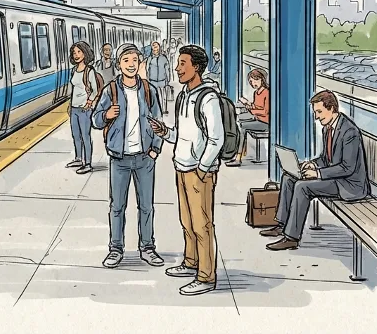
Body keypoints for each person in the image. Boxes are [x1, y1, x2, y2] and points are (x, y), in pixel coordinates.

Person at [150, 45, 223, 296]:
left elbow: (216, 139)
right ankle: (191, 262)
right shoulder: (183, 95)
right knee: (187, 221)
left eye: (183, 64)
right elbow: (184, 134)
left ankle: (206, 276)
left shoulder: (208, 98)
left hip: (197, 171)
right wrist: (165, 133)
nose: (177, 68)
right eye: (178, 63)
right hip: (181, 166)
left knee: (202, 224)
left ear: (197, 68)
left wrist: (203, 169)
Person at [260, 90, 370, 251]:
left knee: (302, 187)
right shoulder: (328, 128)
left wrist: (318, 174)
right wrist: (312, 163)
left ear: (332, 108)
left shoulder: (349, 132)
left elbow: (348, 167)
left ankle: (291, 237)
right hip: (336, 178)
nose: (317, 117)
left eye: (319, 111)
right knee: (289, 178)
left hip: (349, 185)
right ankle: (282, 224)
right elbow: (326, 158)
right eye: (315, 112)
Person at [92, 43, 165, 270]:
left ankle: (147, 247)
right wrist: (106, 114)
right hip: (119, 158)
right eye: (126, 60)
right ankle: (116, 249)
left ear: (140, 63)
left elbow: (159, 122)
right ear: (119, 64)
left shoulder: (148, 90)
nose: (131, 65)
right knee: (117, 206)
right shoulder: (110, 90)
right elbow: (95, 119)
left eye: (134, 60)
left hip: (144, 158)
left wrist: (155, 149)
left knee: (146, 206)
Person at [67, 41, 102, 174]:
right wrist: (70, 104)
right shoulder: (73, 70)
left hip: (84, 109)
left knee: (85, 136)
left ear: (85, 53)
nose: (76, 55)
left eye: (79, 52)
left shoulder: (89, 71)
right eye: (74, 52)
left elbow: (95, 89)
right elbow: (74, 89)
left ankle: (87, 163)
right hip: (75, 107)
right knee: (76, 135)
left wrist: (90, 102)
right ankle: (78, 158)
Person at [227, 68, 269, 167]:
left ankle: (238, 157)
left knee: (242, 126)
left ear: (262, 79)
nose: (253, 83)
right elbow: (256, 106)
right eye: (251, 81)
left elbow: (265, 112)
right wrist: (248, 104)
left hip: (265, 122)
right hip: (257, 118)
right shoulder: (256, 93)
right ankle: (239, 151)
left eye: (255, 80)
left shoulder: (267, 92)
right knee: (237, 119)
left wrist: (252, 110)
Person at [146, 41, 172, 114]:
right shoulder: (149, 59)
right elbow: (147, 69)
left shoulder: (163, 58)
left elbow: (167, 69)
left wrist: (168, 78)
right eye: (154, 49)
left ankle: (163, 109)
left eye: (157, 49)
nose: (155, 51)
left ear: (159, 49)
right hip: (152, 81)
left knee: (163, 96)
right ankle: (156, 110)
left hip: (162, 80)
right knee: (154, 96)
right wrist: (148, 79)